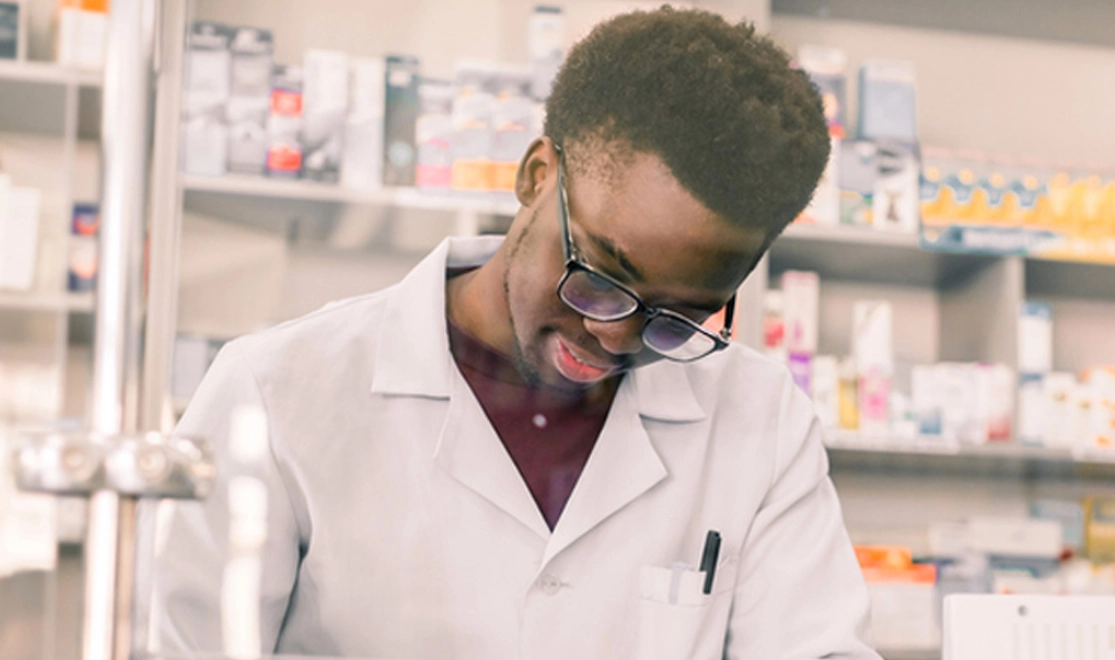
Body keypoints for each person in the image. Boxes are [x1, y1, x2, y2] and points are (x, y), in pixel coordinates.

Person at [150, 7, 879, 659]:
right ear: (536, 176)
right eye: (599, 275)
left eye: (677, 318)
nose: (618, 339)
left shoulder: (759, 415)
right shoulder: (277, 391)